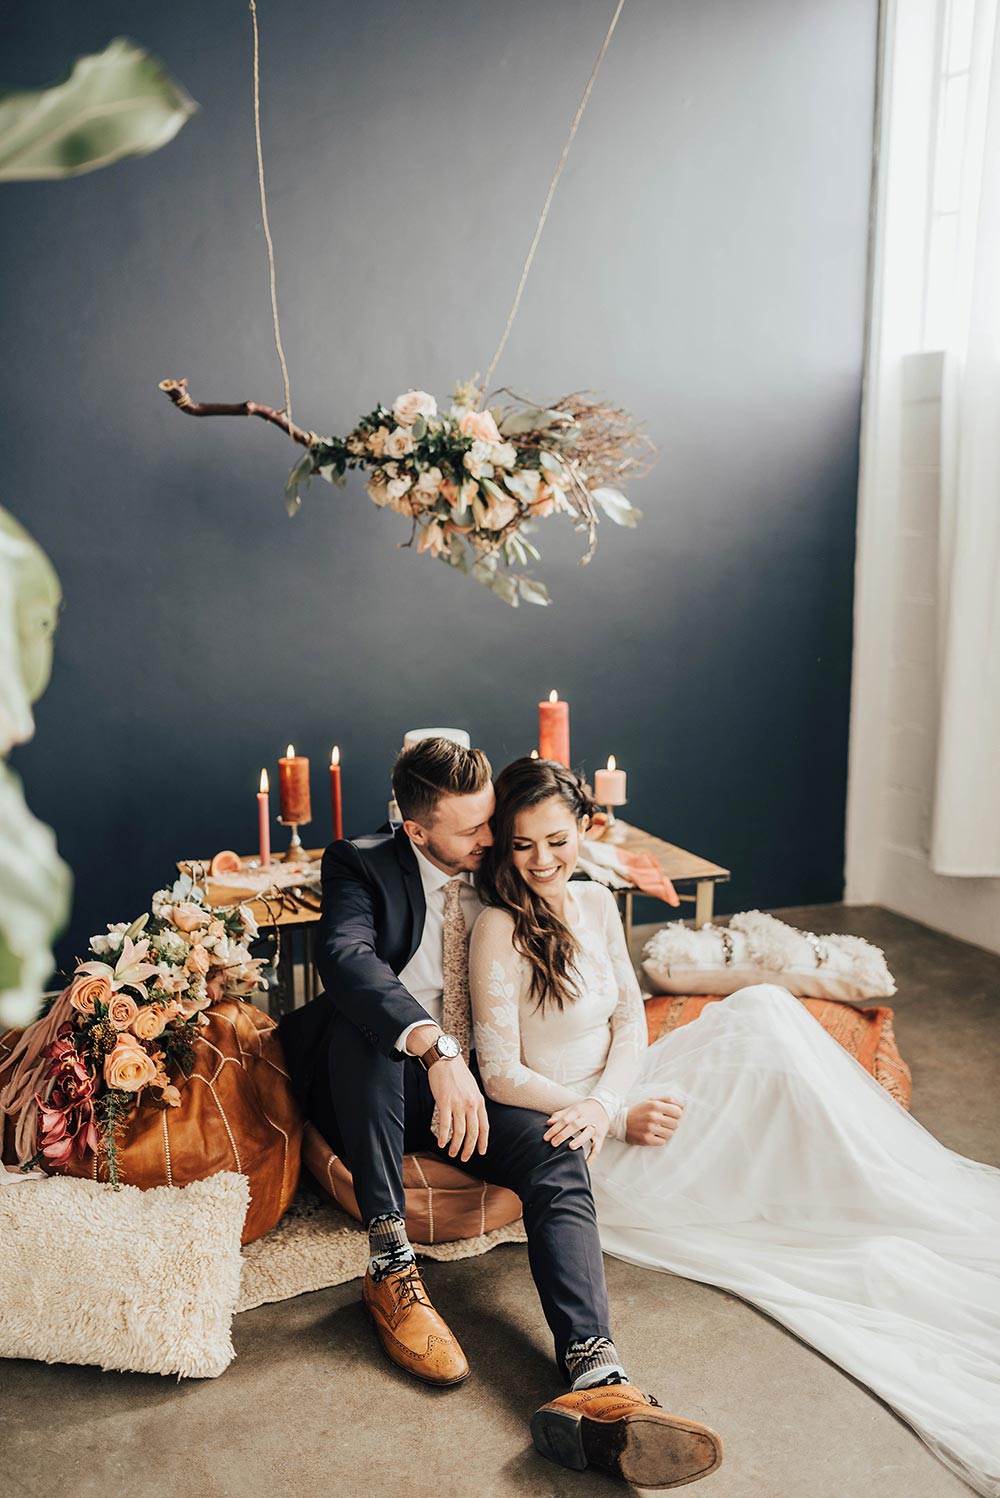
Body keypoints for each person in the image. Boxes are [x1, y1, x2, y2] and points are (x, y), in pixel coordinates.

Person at [469, 755, 1000, 1498]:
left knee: (764, 1012)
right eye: (522, 846)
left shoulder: (591, 901)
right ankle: (833, 1203)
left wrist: (623, 1094)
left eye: (556, 840)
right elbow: (497, 1071)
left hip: (626, 1084)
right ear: (502, 846)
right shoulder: (497, 926)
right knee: (737, 1098)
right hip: (577, 1125)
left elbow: (628, 1019)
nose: (541, 861)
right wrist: (612, 1116)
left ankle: (863, 1186)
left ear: (585, 830)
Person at [278, 737, 724, 1490]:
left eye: (494, 824)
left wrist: (584, 1097)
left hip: (477, 1077)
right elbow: (349, 958)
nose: (492, 842)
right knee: (372, 1025)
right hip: (378, 1068)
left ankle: (596, 1374)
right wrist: (436, 1048)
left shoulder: (505, 858)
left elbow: (564, 878)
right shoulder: (358, 862)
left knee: (556, 1154)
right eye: (473, 830)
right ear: (417, 832)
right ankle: (391, 1265)